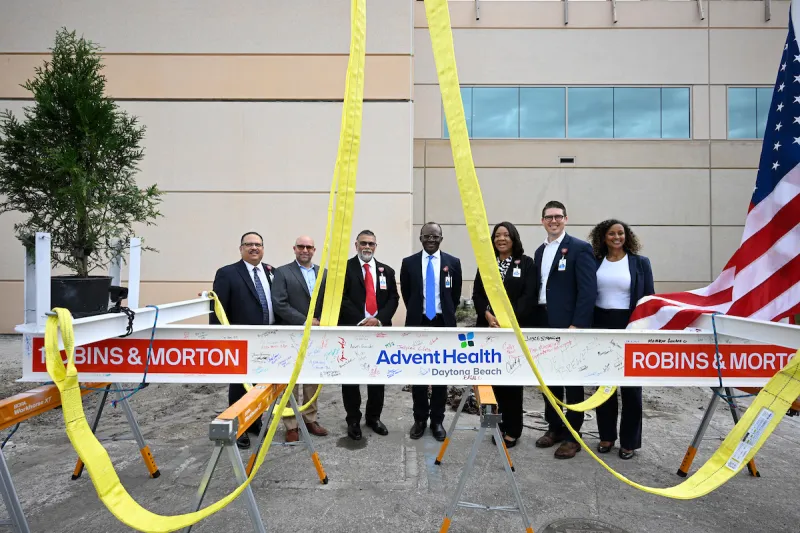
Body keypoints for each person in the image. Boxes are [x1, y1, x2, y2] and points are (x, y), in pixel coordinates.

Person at [532, 201, 597, 459]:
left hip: (569, 325)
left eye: (558, 216)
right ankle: (555, 428)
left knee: (572, 383)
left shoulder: (580, 249)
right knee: (549, 380)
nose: (554, 221)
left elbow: (588, 290)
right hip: (543, 322)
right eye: (549, 217)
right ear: (542, 221)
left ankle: (573, 435)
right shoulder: (540, 251)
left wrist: (577, 324)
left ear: (566, 219)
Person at [588, 219, 654, 460]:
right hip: (600, 325)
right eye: (611, 234)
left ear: (627, 236)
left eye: (621, 233)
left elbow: (648, 300)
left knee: (631, 389)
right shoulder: (595, 262)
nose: (617, 237)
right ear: (602, 237)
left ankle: (629, 442)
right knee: (604, 386)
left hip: (630, 325)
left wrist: (643, 329)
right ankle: (606, 436)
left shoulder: (640, 263)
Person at [472, 221, 536, 448]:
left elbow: (529, 297)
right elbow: (477, 294)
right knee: (493, 380)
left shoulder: (526, 264)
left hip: (512, 332)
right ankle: (496, 425)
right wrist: (488, 316)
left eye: (506, 235)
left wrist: (507, 321)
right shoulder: (486, 264)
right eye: (497, 235)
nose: (501, 239)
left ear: (514, 238)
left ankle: (513, 429)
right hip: (488, 329)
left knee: (511, 381)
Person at [210, 231, 275, 449]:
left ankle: (255, 421)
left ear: (263, 248)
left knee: (259, 385)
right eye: (249, 244)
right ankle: (238, 427)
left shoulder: (270, 271)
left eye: (258, 244)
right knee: (240, 385)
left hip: (267, 339)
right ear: (241, 249)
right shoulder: (227, 273)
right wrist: (220, 338)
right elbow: (217, 310)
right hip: (240, 342)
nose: (254, 248)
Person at [400, 222, 463, 442]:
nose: (431, 240)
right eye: (427, 236)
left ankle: (437, 420)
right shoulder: (408, 263)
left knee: (440, 373)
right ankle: (419, 420)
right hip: (418, 323)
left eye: (435, 237)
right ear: (420, 238)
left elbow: (454, 296)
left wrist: (442, 314)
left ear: (441, 239)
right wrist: (419, 312)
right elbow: (407, 293)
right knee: (418, 373)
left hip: (442, 323)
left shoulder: (452, 263)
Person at [339, 230, 399, 440]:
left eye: (371, 244)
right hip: (353, 331)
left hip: (379, 332)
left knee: (377, 376)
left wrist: (378, 319)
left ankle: (373, 418)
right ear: (356, 245)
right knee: (351, 378)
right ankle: (353, 420)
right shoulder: (343, 268)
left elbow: (393, 298)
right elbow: (341, 298)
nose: (367, 247)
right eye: (363, 243)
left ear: (376, 246)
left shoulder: (387, 271)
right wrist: (361, 320)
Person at [271, 236, 330, 442]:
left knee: (312, 378)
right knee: (290, 381)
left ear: (314, 250)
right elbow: (279, 303)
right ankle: (291, 424)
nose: (305, 250)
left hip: (316, 335)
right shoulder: (282, 272)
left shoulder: (323, 273)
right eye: (301, 247)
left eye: (309, 247)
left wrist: (323, 321)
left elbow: (328, 302)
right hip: (291, 333)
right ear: (294, 249)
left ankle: (310, 419)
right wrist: (306, 321)